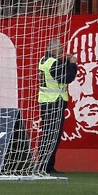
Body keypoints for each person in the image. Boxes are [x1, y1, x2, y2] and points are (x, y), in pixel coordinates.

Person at [36, 38, 78, 174]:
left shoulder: (45, 60)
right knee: (52, 135)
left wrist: (65, 61)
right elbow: (67, 78)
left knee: (49, 135)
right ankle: (45, 166)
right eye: (59, 47)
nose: (62, 49)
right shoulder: (53, 63)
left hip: (46, 101)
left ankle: (46, 165)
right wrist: (72, 64)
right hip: (53, 102)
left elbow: (57, 72)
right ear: (51, 49)